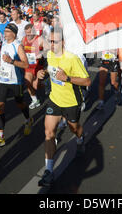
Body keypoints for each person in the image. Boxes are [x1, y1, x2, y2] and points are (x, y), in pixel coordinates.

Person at [37, 28, 91, 187]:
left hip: (71, 102)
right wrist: (43, 73)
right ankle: (49, 171)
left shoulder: (72, 59)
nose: (52, 44)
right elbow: (50, 69)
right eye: (50, 41)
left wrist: (66, 78)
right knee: (48, 132)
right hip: (55, 100)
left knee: (74, 128)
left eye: (55, 42)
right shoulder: (50, 55)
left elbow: (87, 81)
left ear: (64, 42)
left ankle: (81, 139)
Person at [0, 24, 33, 148]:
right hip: (3, 80)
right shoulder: (3, 43)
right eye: (5, 31)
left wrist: (11, 61)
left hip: (15, 81)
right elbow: (3, 59)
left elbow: (26, 64)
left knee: (20, 103)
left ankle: (28, 119)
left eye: (7, 31)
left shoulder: (18, 46)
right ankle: (0, 137)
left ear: (13, 33)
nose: (5, 33)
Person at [22, 23, 45, 109]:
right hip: (28, 66)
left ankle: (45, 85)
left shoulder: (40, 39)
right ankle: (35, 100)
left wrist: (41, 54)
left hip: (38, 66)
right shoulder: (24, 39)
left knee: (36, 86)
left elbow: (49, 50)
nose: (28, 35)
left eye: (29, 33)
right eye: (26, 33)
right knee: (27, 83)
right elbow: (21, 49)